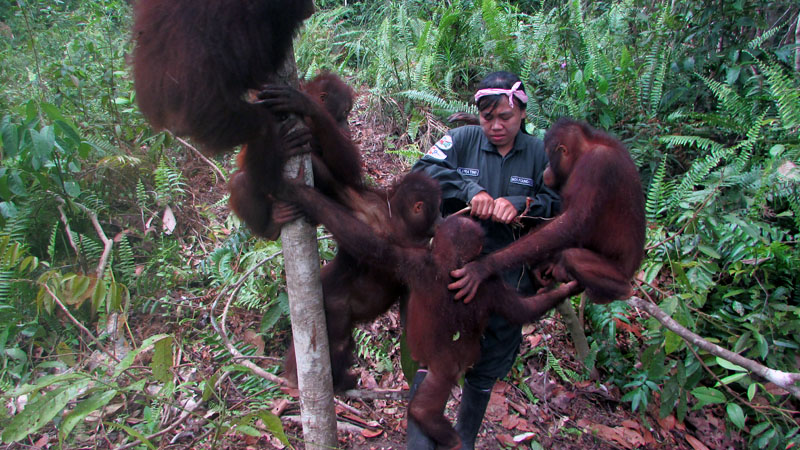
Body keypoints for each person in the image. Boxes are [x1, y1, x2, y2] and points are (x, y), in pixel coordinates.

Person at [407, 71, 559, 449]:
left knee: (487, 366)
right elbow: (421, 172)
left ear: (522, 112)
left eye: (504, 117)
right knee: (434, 357)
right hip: (453, 277)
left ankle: (465, 440)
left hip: (509, 282)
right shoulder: (461, 141)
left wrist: (525, 206)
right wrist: (469, 189)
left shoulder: (540, 153)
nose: (495, 126)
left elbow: (560, 205)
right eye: (486, 117)